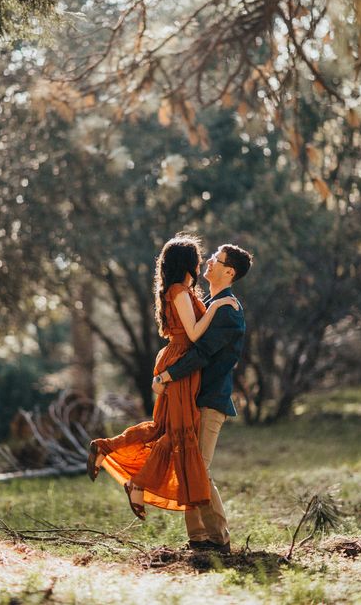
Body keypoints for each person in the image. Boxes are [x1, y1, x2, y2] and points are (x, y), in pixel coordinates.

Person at [86, 235, 239, 520]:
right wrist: (216, 306)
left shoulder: (183, 291)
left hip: (179, 363)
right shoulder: (180, 291)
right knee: (175, 433)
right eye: (197, 258)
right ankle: (136, 482)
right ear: (186, 263)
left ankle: (107, 450)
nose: (202, 262)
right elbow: (194, 335)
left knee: (162, 429)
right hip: (180, 364)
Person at [152, 243, 253, 554]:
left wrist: (167, 376)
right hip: (193, 396)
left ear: (229, 271)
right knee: (187, 464)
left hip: (210, 400)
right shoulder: (213, 303)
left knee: (198, 468)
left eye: (216, 259)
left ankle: (218, 539)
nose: (209, 261)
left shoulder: (228, 310)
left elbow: (202, 353)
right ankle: (198, 539)